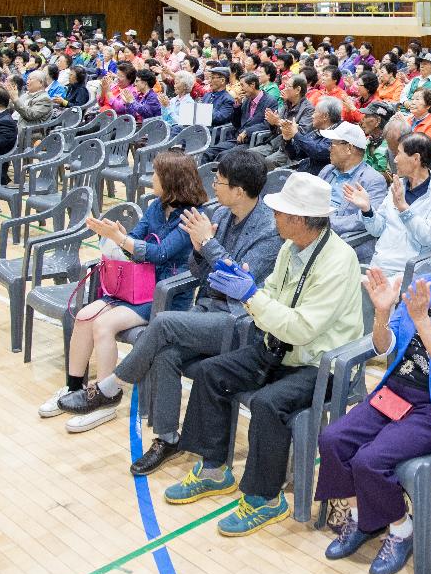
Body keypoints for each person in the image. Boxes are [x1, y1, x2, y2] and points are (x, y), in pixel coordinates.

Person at [161, 172, 364, 536]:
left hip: (319, 363)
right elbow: (271, 293)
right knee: (211, 374)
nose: (274, 218)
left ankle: (265, 499)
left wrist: (250, 296)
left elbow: (302, 327)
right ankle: (213, 470)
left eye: (280, 213)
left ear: (300, 219)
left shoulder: (339, 260)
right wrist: (249, 289)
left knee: (269, 404)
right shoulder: (291, 247)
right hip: (279, 346)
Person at [315, 209, 431, 574]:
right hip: (395, 389)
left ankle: (402, 529)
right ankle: (361, 516)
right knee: (333, 439)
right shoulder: (426, 286)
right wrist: (383, 313)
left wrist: (420, 319)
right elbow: (385, 348)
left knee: (370, 460)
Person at [94, 149, 282, 476]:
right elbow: (201, 273)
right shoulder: (220, 216)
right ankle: (166, 438)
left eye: (219, 182)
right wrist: (199, 249)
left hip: (241, 323)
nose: (213, 186)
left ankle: (113, 384)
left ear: (239, 190)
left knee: (164, 323)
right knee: (167, 353)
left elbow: (241, 284)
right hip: (209, 313)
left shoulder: (268, 230)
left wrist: (208, 245)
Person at [41, 152, 208, 431]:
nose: (152, 179)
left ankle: (105, 398)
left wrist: (122, 239)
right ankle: (74, 387)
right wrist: (116, 234)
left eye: (156, 175)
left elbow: (160, 253)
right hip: (134, 288)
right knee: (84, 316)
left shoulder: (191, 218)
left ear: (171, 180)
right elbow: (137, 236)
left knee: (105, 324)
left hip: (162, 296)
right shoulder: (156, 206)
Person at [346, 133, 431, 278]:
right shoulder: (397, 186)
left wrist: (404, 208)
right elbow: (377, 230)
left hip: (408, 272)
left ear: (416, 158)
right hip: (378, 264)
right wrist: (367, 209)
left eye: (399, 153)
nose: (395, 159)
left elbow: (429, 239)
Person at [317, 121, 388, 242]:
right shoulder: (327, 170)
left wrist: (320, 223)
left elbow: (365, 219)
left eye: (332, 144)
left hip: (339, 240)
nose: (329, 149)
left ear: (349, 148)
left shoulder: (373, 180)